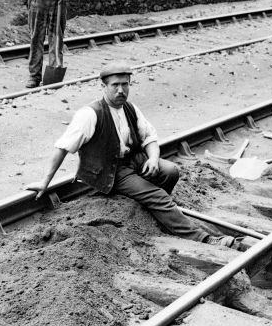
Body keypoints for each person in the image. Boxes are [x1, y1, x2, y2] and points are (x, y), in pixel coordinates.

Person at [26, 62, 238, 248]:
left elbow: (149, 137)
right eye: (115, 85)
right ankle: (203, 239)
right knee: (158, 196)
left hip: (132, 160)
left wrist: (153, 159)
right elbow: (62, 147)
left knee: (170, 171)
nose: (120, 90)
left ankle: (156, 210)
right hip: (109, 170)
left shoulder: (130, 108)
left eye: (125, 84)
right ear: (104, 87)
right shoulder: (89, 114)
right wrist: (45, 182)